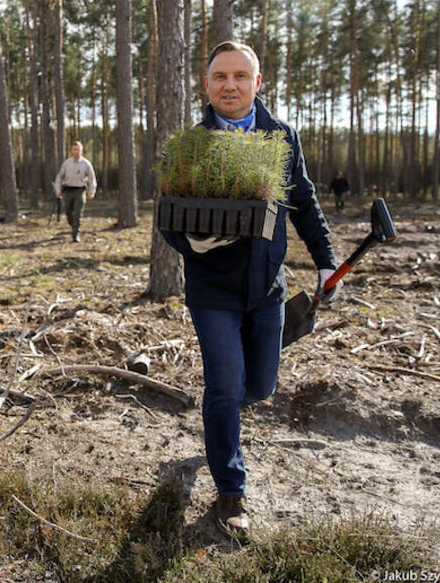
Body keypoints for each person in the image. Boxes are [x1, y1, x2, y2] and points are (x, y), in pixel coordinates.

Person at [159, 42, 342, 536]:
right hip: (211, 288)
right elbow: (169, 217)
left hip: (267, 288)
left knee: (257, 386)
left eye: (241, 76)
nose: (230, 85)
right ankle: (231, 491)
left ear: (258, 83)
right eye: (220, 76)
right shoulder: (190, 146)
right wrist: (190, 242)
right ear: (207, 83)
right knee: (223, 387)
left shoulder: (281, 137)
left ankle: (224, 418)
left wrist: (326, 261)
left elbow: (303, 202)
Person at [52, 141, 96, 242]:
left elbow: (92, 179)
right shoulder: (67, 163)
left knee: (78, 213)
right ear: (72, 150)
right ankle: (73, 225)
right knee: (68, 212)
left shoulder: (86, 164)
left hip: (80, 190)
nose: (76, 152)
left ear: (81, 150)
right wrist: (57, 190)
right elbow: (59, 177)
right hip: (68, 190)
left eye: (78, 150)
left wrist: (92, 191)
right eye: (74, 149)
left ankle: (75, 234)